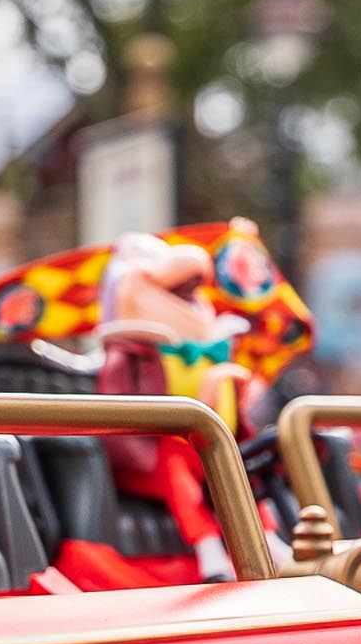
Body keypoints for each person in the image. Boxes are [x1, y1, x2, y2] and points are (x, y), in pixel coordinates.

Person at [94, 234, 259, 579]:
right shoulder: (129, 357)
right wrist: (210, 389)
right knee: (175, 461)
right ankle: (208, 547)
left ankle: (266, 537)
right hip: (149, 458)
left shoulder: (207, 350)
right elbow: (122, 416)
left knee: (240, 466)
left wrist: (238, 396)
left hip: (204, 449)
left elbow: (224, 420)